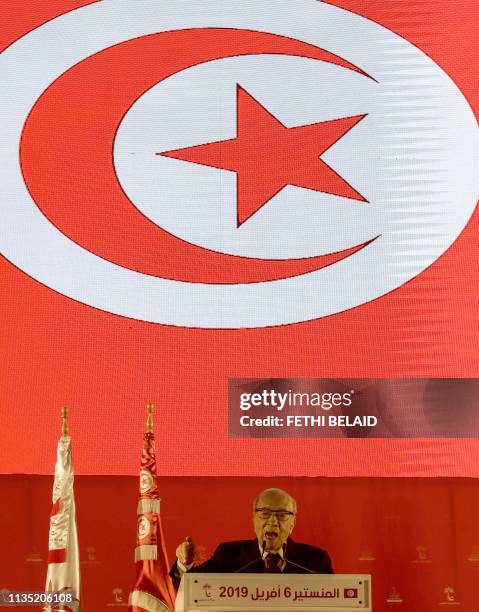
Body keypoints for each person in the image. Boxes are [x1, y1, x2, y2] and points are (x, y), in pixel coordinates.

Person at [170, 487, 333, 589]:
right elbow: (191, 588)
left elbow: (338, 601)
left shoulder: (316, 561)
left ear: (293, 523)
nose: (273, 522)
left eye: (282, 515)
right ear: (254, 519)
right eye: (265, 513)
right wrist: (185, 564)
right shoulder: (228, 555)